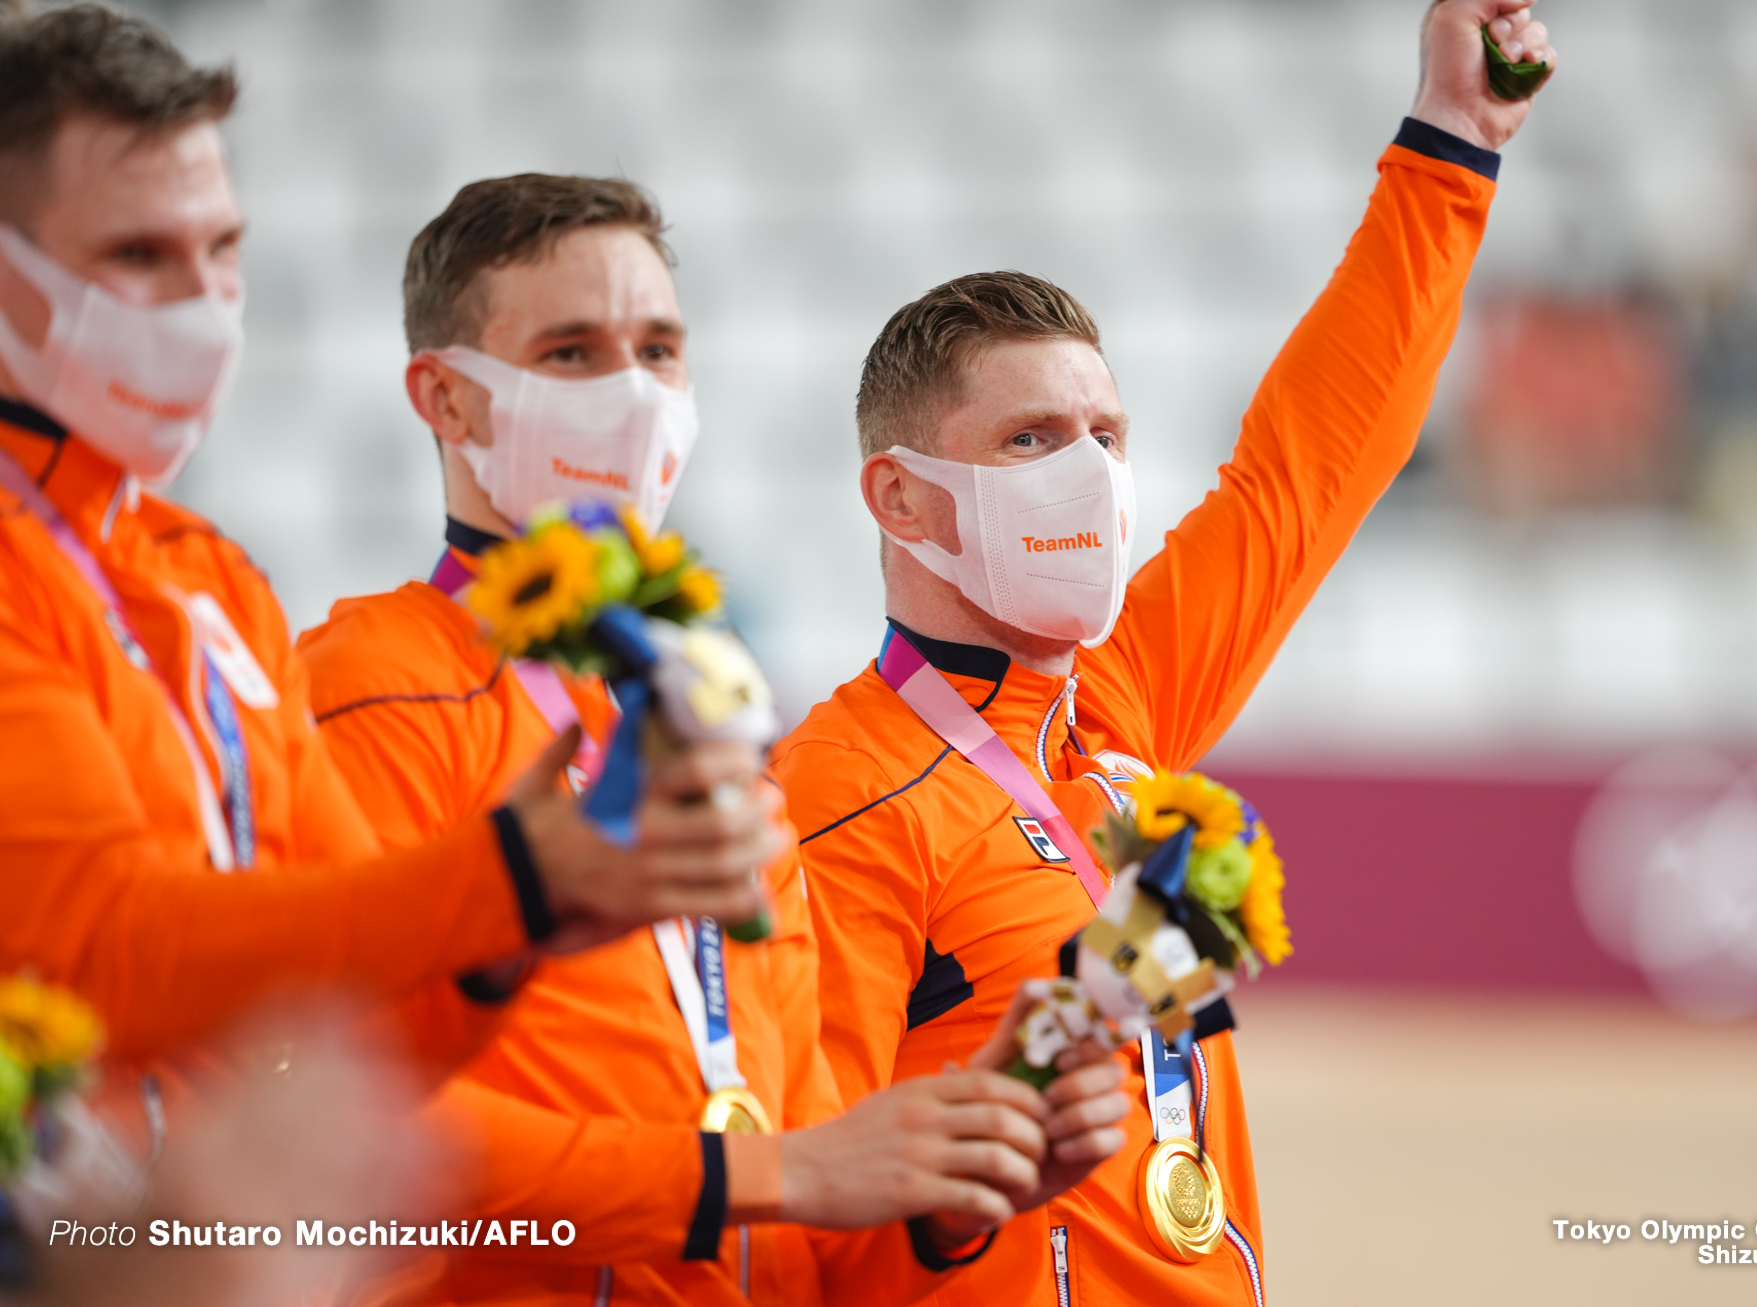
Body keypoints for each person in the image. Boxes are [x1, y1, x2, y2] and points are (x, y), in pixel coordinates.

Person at [770, 0, 1556, 1301]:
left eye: (1107, 434)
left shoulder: (1110, 708)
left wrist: (1454, 139)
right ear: (900, 499)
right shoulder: (840, 800)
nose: (1086, 473)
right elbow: (794, 1221)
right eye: (1031, 438)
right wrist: (995, 1145)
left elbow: (1309, 469)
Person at [297, 174, 1133, 1306]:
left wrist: (950, 1200)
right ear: (446, 400)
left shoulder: (708, 728)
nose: (634, 394)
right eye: (572, 354)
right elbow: (331, 1132)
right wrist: (759, 1171)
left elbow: (808, 1223)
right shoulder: (372, 688)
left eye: (659, 349)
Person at [0, 4, 774, 1165]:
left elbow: (351, 1037)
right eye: (137, 256)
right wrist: (512, 875)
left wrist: (519, 923)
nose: (205, 306)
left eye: (221, 252)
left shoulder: (216, 588)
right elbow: (99, 950)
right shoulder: (57, 578)